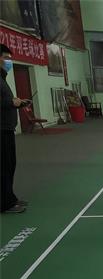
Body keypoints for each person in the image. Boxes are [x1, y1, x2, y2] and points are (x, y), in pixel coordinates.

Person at [1, 44, 30, 213]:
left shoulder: (2, 78)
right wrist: (11, 102)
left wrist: (17, 102)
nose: (8, 62)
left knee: (10, 165)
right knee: (4, 167)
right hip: (1, 130)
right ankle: (5, 204)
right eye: (5, 58)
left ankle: (10, 198)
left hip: (7, 128)